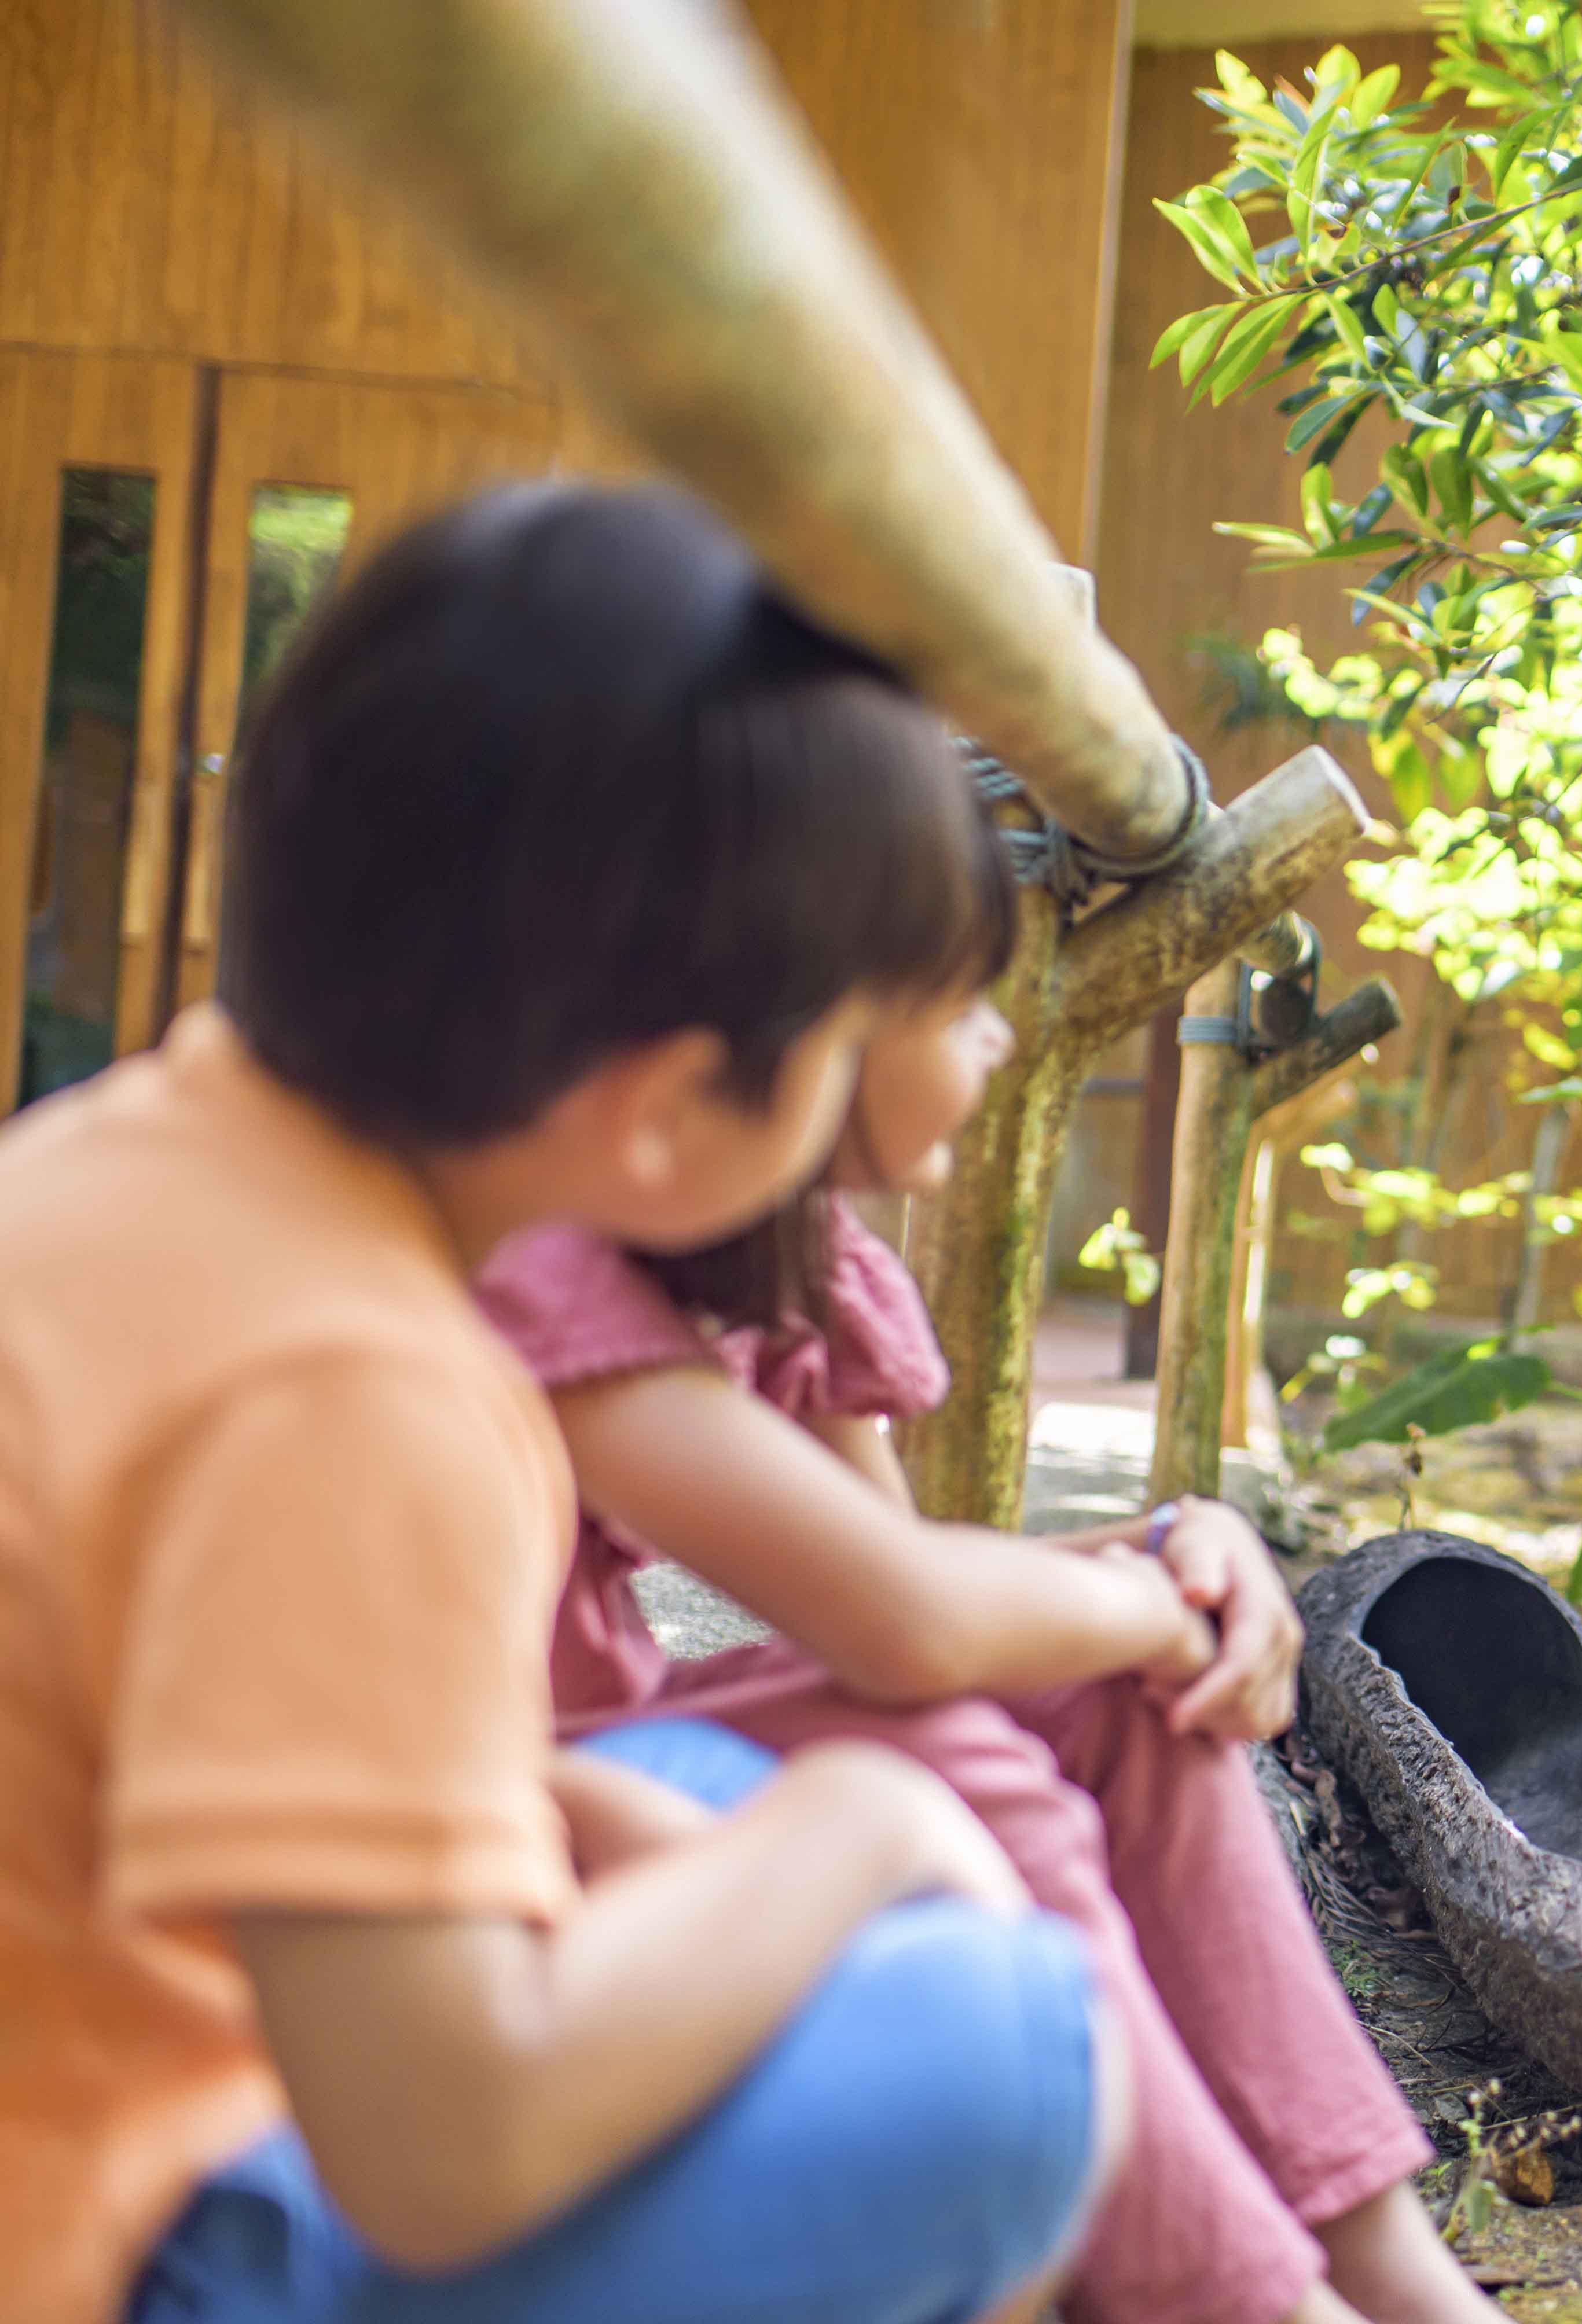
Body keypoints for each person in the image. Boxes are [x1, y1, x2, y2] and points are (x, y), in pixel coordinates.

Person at [0, 483, 1130, 2324]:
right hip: (118, 2229)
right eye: (846, 1040)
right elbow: (445, 2155)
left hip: (102, 2020)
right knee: (1006, 2050)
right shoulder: (365, 1397)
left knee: (674, 1777)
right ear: (679, 1104)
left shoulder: (124, 1154)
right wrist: (852, 1830)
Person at [474, 903, 1499, 2324]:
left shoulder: (782, 1254)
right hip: (495, 1811)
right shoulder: (554, 1261)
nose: (1002, 1032)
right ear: (810, 1030)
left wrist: (1183, 1552)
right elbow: (905, 1629)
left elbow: (907, 1577)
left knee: (1114, 1687)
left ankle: (1383, 2263)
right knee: (957, 1739)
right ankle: (1238, 2297)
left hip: (633, 1755)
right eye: (959, 1001)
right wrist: (1142, 1598)